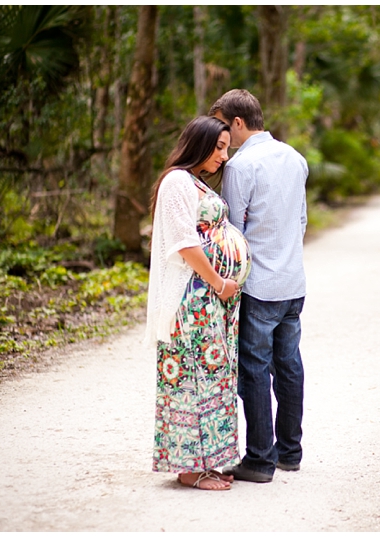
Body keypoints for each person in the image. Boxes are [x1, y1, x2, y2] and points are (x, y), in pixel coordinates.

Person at [144, 116, 251, 491]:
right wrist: (219, 280)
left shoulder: (196, 183)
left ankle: (210, 461)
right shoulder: (176, 181)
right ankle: (188, 469)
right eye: (219, 147)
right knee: (190, 380)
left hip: (212, 301)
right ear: (199, 143)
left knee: (214, 378)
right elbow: (184, 244)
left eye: (226, 147)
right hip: (193, 299)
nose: (224, 155)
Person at [209, 89, 308, 483]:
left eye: (222, 125)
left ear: (237, 122)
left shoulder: (241, 166)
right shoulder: (294, 158)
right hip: (293, 282)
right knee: (289, 366)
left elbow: (233, 233)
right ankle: (290, 453)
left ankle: (259, 460)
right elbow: (301, 221)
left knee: (253, 370)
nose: (222, 138)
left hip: (259, 286)